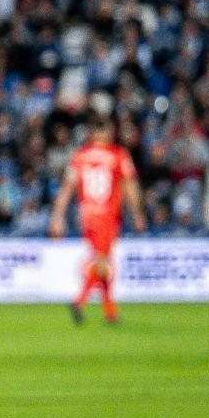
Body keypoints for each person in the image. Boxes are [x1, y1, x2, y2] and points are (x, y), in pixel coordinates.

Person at [49, 113, 144, 324]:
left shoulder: (80, 156)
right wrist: (137, 213)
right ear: (108, 131)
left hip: (87, 215)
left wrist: (57, 216)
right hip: (108, 216)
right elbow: (129, 185)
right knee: (103, 262)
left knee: (103, 261)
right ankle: (80, 301)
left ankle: (110, 312)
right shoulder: (118, 155)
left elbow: (66, 188)